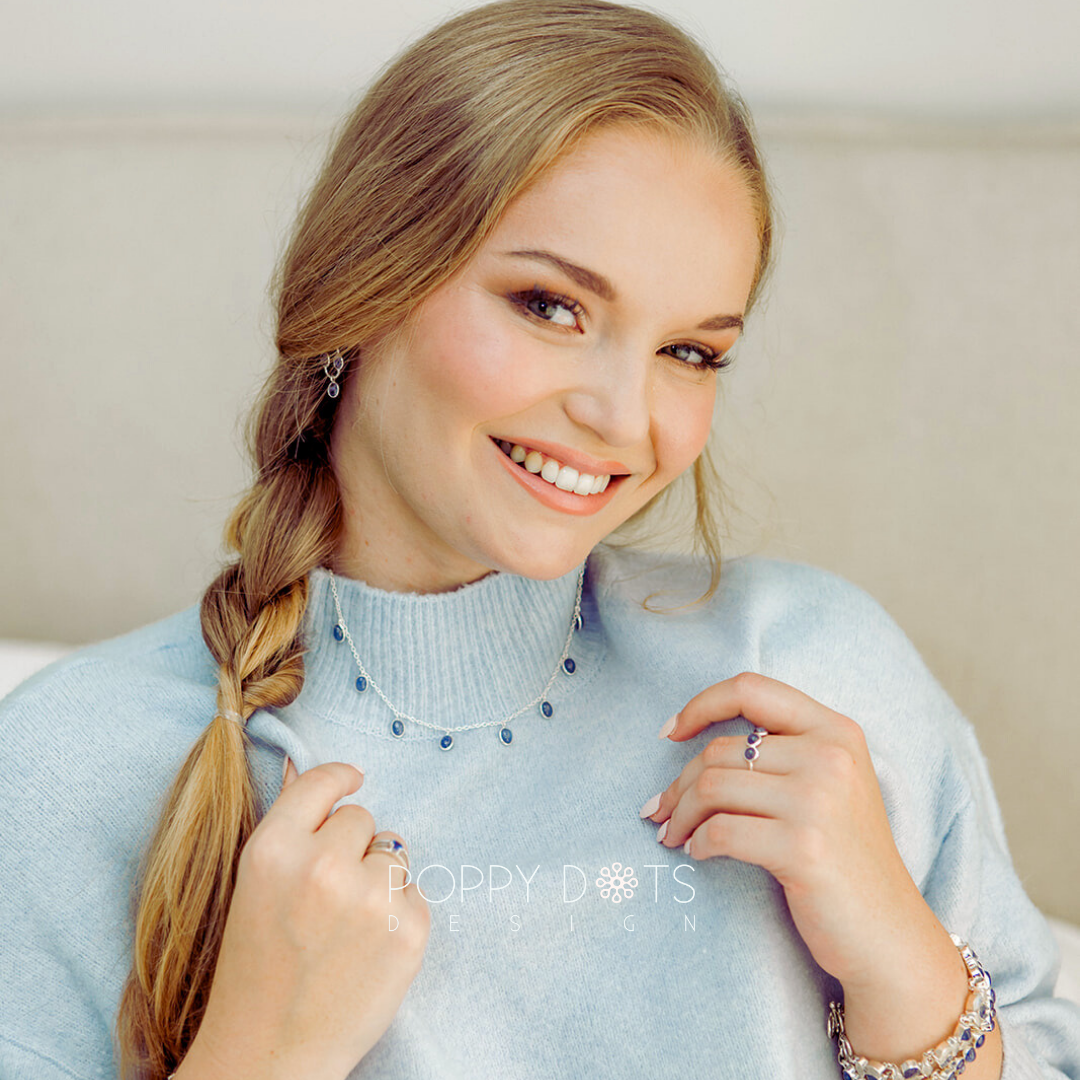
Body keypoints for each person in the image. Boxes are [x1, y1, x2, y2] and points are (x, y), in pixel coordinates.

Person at [1, 1, 1078, 1078]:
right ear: (366, 282)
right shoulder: (73, 772)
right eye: (551, 306)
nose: (623, 416)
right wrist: (256, 1056)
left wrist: (905, 970)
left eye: (691, 354)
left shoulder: (805, 680)